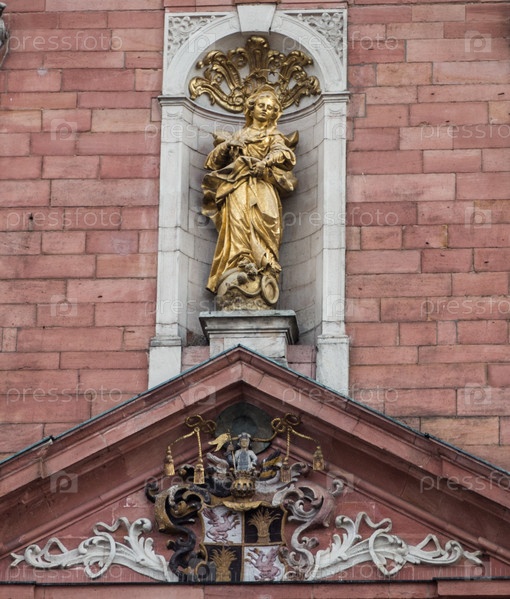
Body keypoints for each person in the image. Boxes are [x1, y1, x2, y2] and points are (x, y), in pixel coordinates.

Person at [201, 86, 297, 299]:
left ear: (274, 114)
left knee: (266, 223)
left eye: (270, 108)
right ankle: (238, 263)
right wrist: (228, 145)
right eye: (261, 106)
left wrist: (265, 162)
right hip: (237, 187)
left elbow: (284, 153)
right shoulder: (239, 135)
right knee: (237, 223)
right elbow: (212, 161)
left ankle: (264, 267)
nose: (265, 110)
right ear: (251, 109)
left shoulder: (273, 135)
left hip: (262, 187)